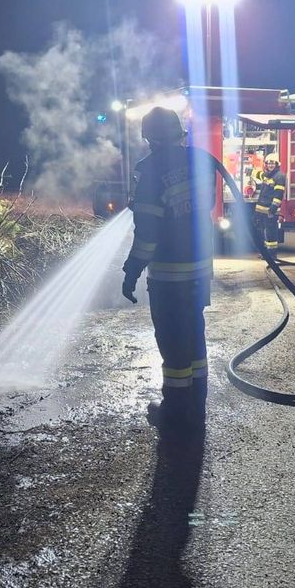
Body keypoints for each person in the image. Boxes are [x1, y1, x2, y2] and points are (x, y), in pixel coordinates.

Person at [122, 106, 216, 426]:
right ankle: (197, 404)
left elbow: (147, 236)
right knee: (194, 336)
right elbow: (205, 205)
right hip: (199, 271)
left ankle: (175, 413)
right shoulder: (200, 161)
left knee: (174, 344)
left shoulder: (150, 172)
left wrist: (131, 270)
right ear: (178, 133)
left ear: (149, 138)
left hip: (169, 277)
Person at [252, 151, 286, 255]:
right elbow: (258, 174)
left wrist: (273, 209)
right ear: (266, 164)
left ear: (276, 164)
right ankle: (265, 253)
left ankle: (272, 254)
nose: (270, 165)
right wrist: (249, 170)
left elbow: (279, 195)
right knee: (262, 232)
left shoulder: (279, 176)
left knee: (271, 233)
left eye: (272, 163)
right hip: (261, 210)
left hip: (270, 210)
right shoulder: (267, 175)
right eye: (269, 163)